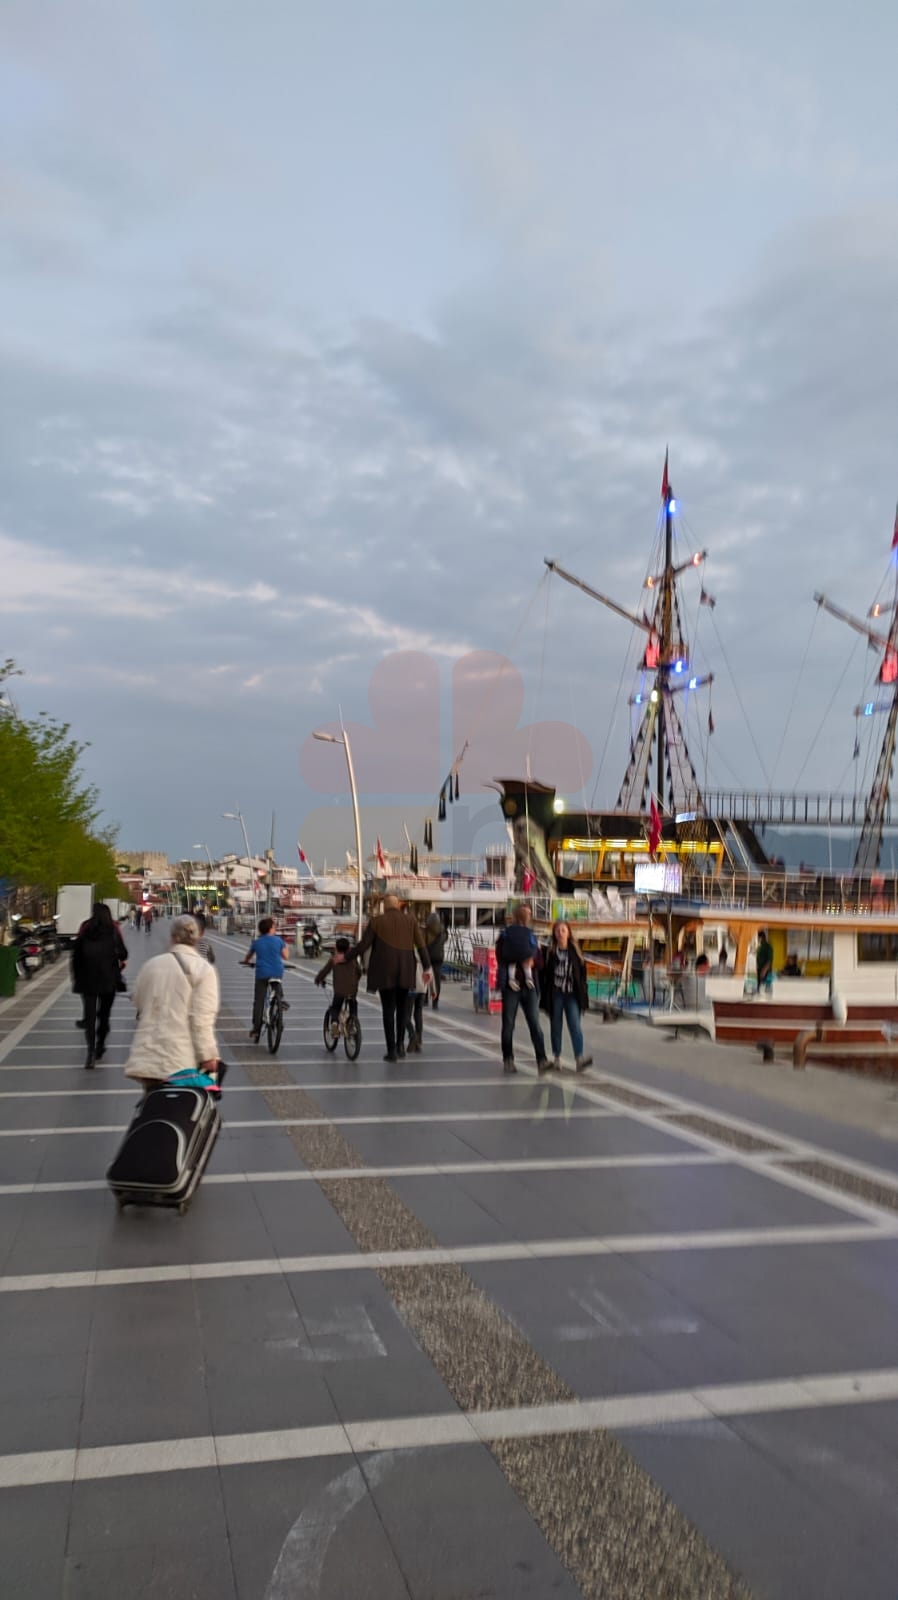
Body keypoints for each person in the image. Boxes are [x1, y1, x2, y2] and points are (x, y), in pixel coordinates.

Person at [124, 915, 222, 1091]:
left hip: (149, 1056)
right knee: (180, 1111)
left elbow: (138, 1001)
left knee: (152, 1108)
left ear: (173, 937)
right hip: (181, 1060)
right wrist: (208, 1055)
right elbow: (201, 1018)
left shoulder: (151, 965)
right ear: (196, 937)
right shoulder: (203, 969)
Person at [339, 895, 430, 1062]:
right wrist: (428, 967)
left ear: (385, 907)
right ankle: (401, 1046)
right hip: (406, 972)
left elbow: (364, 945)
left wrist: (346, 957)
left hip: (385, 973)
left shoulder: (377, 921)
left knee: (388, 1011)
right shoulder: (410, 921)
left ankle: (391, 1052)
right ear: (397, 906)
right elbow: (421, 945)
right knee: (403, 1011)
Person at [71, 903, 128, 1070]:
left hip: (87, 979)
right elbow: (123, 953)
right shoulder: (114, 929)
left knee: (90, 1017)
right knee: (104, 1015)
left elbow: (76, 956)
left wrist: (77, 977)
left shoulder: (84, 928)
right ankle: (100, 1045)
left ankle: (90, 1054)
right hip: (108, 979)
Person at [497, 906, 549, 1075]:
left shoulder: (505, 935)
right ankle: (541, 1060)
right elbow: (541, 963)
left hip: (511, 985)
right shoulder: (531, 936)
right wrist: (531, 962)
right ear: (526, 918)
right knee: (534, 1024)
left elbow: (500, 957)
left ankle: (508, 1060)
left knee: (508, 1024)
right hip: (529, 985)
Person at [540, 919, 592, 1072]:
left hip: (572, 994)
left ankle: (579, 1058)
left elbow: (582, 973)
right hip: (556, 993)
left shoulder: (575, 951)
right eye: (557, 930)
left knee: (575, 1025)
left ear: (568, 933)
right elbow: (544, 974)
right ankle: (557, 1057)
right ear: (554, 934)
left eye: (563, 930)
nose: (560, 933)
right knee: (556, 1026)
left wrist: (583, 990)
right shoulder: (550, 952)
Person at [240, 916, 290, 1042]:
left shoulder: (257, 942)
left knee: (259, 1001)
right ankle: (281, 1000)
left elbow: (248, 957)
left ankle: (256, 1028)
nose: (275, 929)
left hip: (262, 973)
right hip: (277, 971)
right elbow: (286, 956)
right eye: (274, 927)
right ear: (271, 928)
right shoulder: (278, 940)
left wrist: (246, 961)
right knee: (277, 981)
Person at [315, 936, 360, 1036]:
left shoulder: (334, 960)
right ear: (348, 948)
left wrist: (318, 979)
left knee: (335, 1008)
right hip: (352, 989)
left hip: (339, 991)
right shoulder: (352, 959)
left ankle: (334, 1023)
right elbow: (359, 972)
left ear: (337, 948)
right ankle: (352, 1022)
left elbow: (324, 972)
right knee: (353, 1004)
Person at [497, 903, 539, 993]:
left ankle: (511, 979)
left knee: (512, 963)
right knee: (526, 963)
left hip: (510, 955)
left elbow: (503, 940)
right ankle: (529, 978)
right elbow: (534, 944)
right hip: (526, 953)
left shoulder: (508, 930)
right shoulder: (529, 932)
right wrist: (532, 956)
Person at [424, 911, 445, 1010]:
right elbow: (445, 939)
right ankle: (435, 1002)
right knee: (437, 981)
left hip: (428, 957)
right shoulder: (443, 930)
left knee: (426, 978)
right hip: (439, 958)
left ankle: (424, 999)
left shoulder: (427, 930)